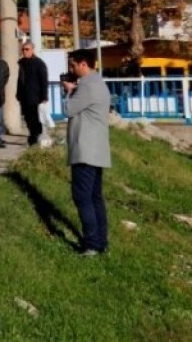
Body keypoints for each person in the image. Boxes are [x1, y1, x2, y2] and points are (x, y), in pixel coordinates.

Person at [63, 52, 111, 257]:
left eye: (73, 66)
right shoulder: (99, 83)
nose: (71, 70)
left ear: (84, 64)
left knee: (82, 196)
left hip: (85, 150)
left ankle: (91, 243)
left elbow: (68, 109)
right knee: (95, 197)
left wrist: (68, 92)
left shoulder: (87, 85)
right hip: (97, 150)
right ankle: (101, 240)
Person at [16, 41, 49, 146]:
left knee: (35, 118)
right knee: (27, 118)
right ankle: (33, 136)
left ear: (32, 50)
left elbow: (44, 80)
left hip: (35, 96)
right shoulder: (22, 62)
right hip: (24, 96)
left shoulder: (39, 63)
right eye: (23, 49)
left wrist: (44, 96)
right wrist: (18, 93)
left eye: (27, 49)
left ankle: (35, 138)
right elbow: (20, 79)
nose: (25, 51)